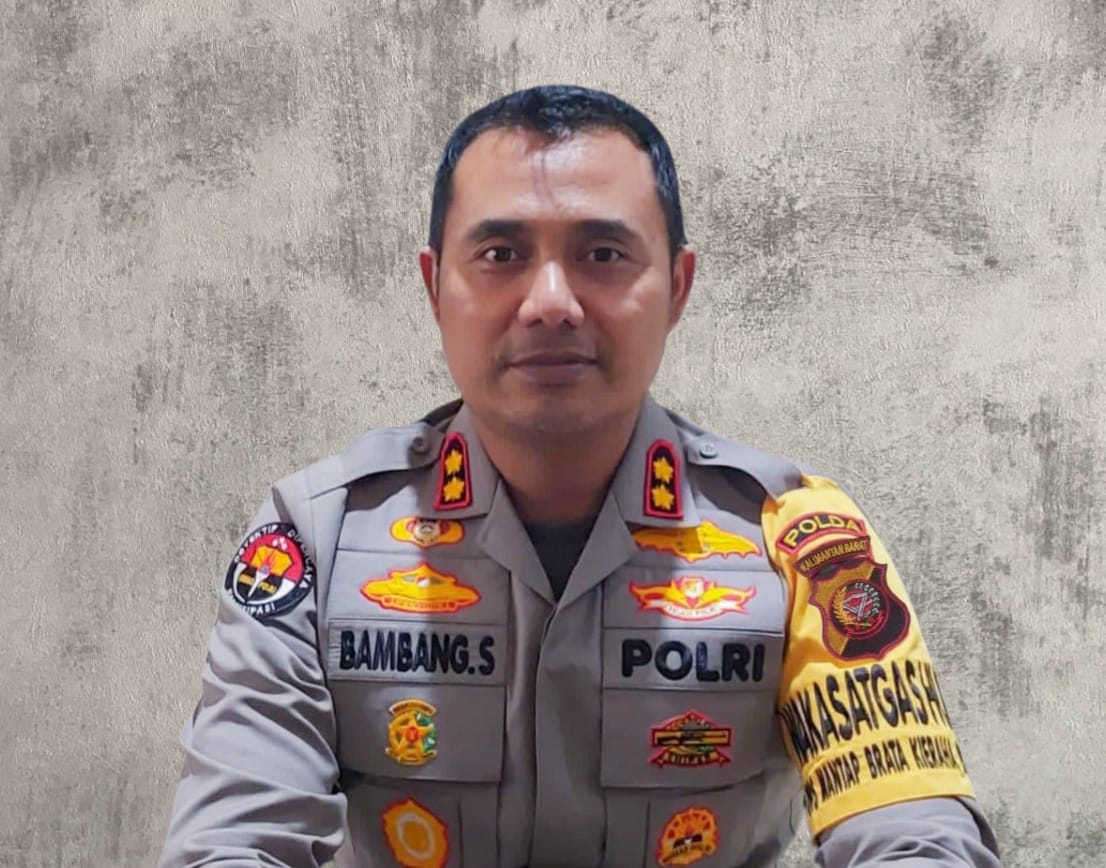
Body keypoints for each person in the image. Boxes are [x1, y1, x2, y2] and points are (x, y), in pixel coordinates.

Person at [157, 85, 1003, 868]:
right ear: (434, 286)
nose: (551, 302)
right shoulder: (317, 536)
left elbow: (914, 835)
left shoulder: (802, 541)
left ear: (677, 287)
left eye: (603, 252)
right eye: (500, 253)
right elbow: (232, 842)